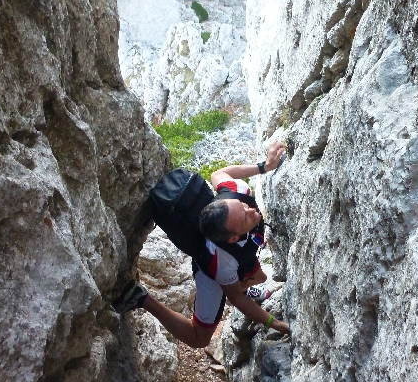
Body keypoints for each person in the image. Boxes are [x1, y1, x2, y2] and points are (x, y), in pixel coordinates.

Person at [113, 141, 290, 348]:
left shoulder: (237, 191)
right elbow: (237, 300)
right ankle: (141, 298)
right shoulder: (220, 261)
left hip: (237, 257)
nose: (253, 212)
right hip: (209, 271)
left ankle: (244, 284)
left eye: (243, 206)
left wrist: (264, 167)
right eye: (245, 219)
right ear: (232, 238)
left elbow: (219, 173)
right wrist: (275, 323)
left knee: (260, 277)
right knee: (199, 338)